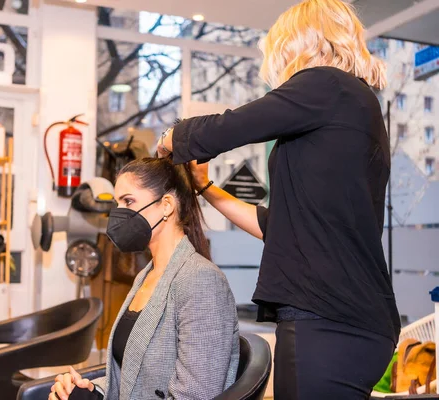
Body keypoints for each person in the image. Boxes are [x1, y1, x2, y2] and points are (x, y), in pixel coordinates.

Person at [157, 0, 400, 398]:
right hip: (351, 319)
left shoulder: (327, 84)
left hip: (328, 319)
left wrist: (173, 138)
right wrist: (204, 187)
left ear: (302, 41)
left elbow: (235, 124)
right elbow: (276, 228)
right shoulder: (350, 105)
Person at [48, 157, 239, 400]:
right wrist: (89, 391)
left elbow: (197, 395)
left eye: (128, 201)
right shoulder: (146, 275)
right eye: (118, 204)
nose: (119, 213)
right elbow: (132, 377)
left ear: (167, 205)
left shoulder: (201, 280)